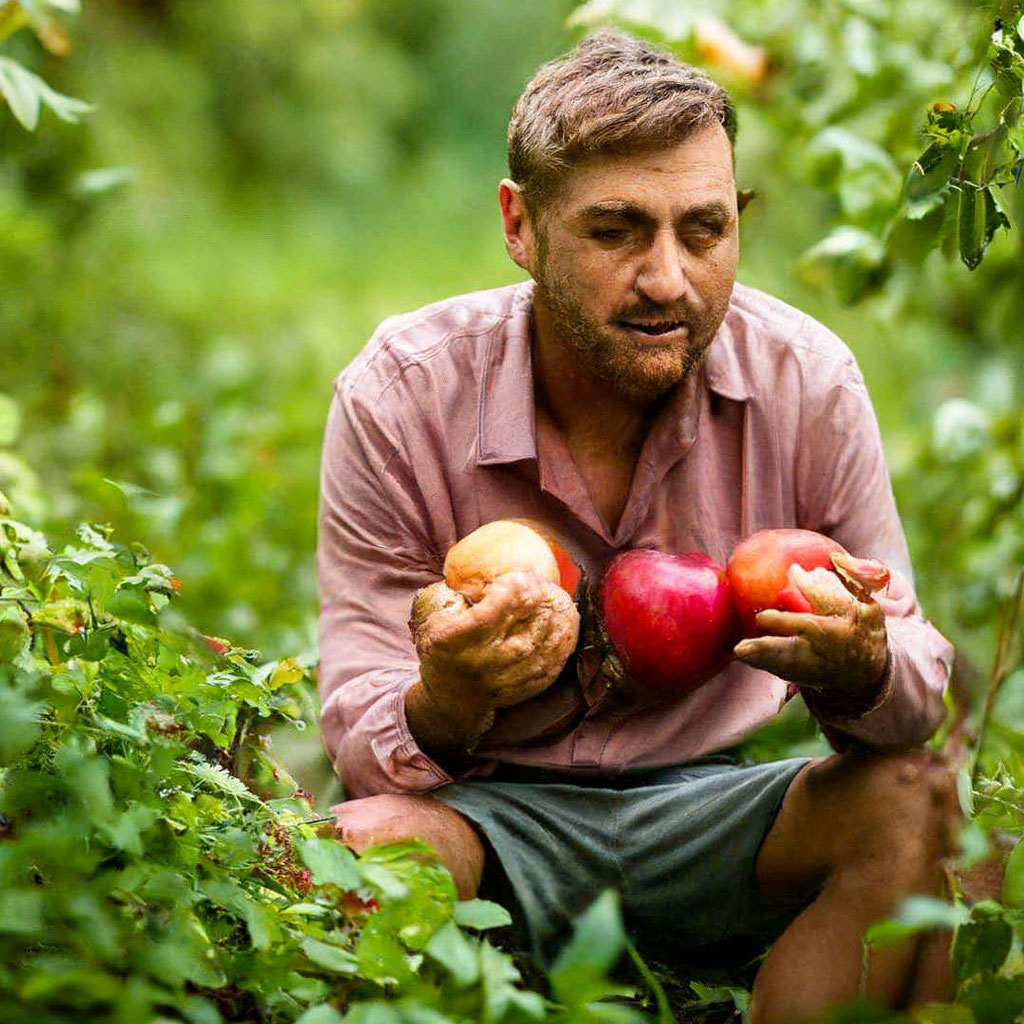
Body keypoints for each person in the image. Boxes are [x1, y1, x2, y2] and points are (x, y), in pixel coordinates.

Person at [316, 30, 958, 1024]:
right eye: (616, 231)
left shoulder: (807, 382)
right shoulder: (402, 396)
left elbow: (916, 686)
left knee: (920, 802)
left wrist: (862, 660)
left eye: (703, 231)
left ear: (738, 219)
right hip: (490, 818)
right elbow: (362, 730)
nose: (667, 278)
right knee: (357, 854)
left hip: (721, 813)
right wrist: (449, 695)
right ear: (520, 224)